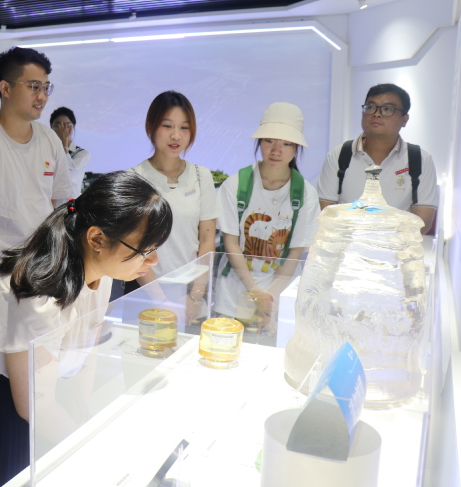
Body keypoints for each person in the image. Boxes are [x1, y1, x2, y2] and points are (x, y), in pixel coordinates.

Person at [0, 171, 172, 487]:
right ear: (96, 239)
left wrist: (83, 416)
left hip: (47, 392)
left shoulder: (101, 270)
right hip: (0, 402)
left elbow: (87, 350)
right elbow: (35, 407)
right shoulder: (38, 294)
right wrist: (97, 454)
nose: (153, 261)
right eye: (144, 250)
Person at [0, 46, 73, 291]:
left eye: (46, 87)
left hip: (41, 268)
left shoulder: (50, 140)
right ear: (6, 88)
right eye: (33, 87)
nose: (42, 96)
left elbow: (53, 201)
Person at [215, 102, 319, 334]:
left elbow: (295, 253)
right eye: (269, 140)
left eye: (286, 143)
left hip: (279, 295)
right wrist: (255, 293)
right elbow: (231, 243)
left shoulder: (306, 194)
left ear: (296, 148)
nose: (276, 150)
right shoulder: (235, 184)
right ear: (259, 142)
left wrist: (269, 298)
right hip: (233, 292)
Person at [129, 91, 217, 320]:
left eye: (184, 127)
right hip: (144, 291)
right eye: (167, 126)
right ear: (151, 127)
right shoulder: (134, 179)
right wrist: (161, 301)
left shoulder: (201, 176)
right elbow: (133, 247)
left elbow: (207, 239)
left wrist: (195, 296)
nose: (176, 135)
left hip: (190, 292)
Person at [317, 83, 438, 234]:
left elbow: (422, 222)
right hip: (346, 245)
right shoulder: (339, 154)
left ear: (404, 120)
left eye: (387, 109)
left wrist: (380, 240)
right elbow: (326, 213)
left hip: (396, 247)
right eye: (371, 107)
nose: (377, 114)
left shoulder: (419, 159)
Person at [50, 106, 91, 197]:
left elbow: (68, 170)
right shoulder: (45, 150)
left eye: (68, 126)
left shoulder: (82, 154)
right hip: (48, 201)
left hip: (69, 202)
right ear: (51, 127)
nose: (63, 130)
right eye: (58, 126)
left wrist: (64, 143)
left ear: (73, 127)